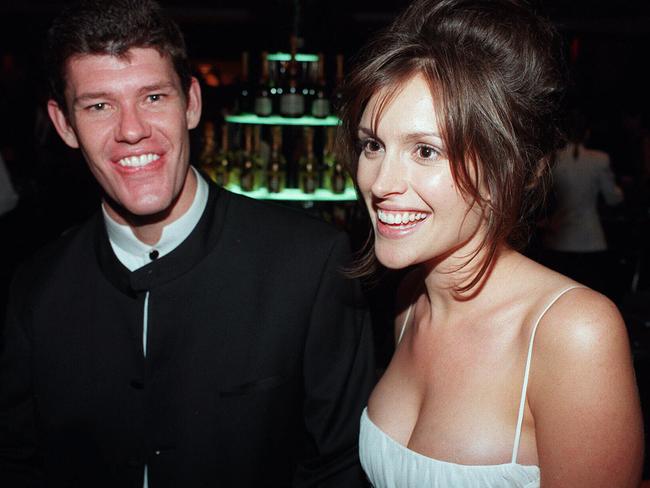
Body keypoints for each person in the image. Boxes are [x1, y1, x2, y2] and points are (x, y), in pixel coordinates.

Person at [0, 1, 375, 486]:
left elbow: (340, 466)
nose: (132, 130)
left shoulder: (309, 264)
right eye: (99, 106)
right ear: (64, 125)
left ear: (192, 103)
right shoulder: (35, 288)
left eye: (153, 97)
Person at [338, 0, 644, 486]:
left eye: (425, 150)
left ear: (509, 169)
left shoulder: (574, 332)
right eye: (373, 144)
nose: (380, 182)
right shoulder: (409, 303)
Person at [541, 109, 624, 296]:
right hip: (591, 240)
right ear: (587, 133)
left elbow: (544, 202)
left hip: (558, 239)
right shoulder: (599, 160)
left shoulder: (553, 159)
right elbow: (613, 199)